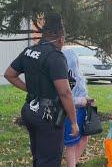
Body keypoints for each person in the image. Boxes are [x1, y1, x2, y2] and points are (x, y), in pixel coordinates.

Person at [4, 13, 79, 167]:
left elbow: (9, 74)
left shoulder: (29, 51)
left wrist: (31, 91)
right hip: (48, 115)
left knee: (39, 156)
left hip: (30, 111)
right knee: (50, 161)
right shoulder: (55, 56)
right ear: (60, 38)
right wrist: (73, 122)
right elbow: (65, 92)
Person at [62, 49, 91, 167]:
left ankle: (73, 163)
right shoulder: (64, 78)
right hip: (71, 114)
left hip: (82, 112)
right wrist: (81, 101)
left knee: (84, 139)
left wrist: (88, 99)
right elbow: (63, 98)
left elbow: (81, 93)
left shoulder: (78, 75)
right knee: (72, 144)